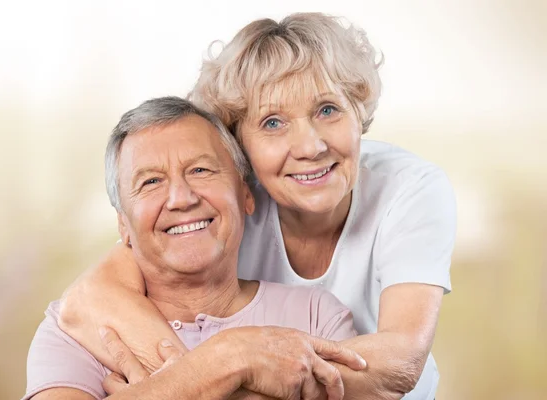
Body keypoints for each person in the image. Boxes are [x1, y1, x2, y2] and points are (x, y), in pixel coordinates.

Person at [58, 12, 457, 400]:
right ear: (239, 146)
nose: (310, 147)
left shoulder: (411, 190)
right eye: (272, 123)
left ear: (359, 112)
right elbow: (86, 301)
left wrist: (214, 379)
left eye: (328, 110)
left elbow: (402, 361)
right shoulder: (221, 200)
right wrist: (222, 364)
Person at [23, 97, 366, 400]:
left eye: (200, 170)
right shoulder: (74, 330)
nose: (181, 199)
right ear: (122, 224)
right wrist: (228, 359)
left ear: (246, 195)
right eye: (151, 182)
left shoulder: (318, 316)